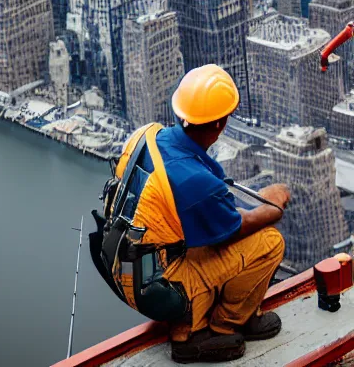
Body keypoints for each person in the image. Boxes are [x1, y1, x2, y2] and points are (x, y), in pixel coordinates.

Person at [106, 64, 290, 363]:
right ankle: (215, 328)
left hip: (123, 267)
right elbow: (234, 228)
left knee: (202, 242)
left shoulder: (149, 137)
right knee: (269, 242)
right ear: (220, 124)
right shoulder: (195, 181)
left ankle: (191, 312)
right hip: (156, 286)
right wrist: (272, 206)